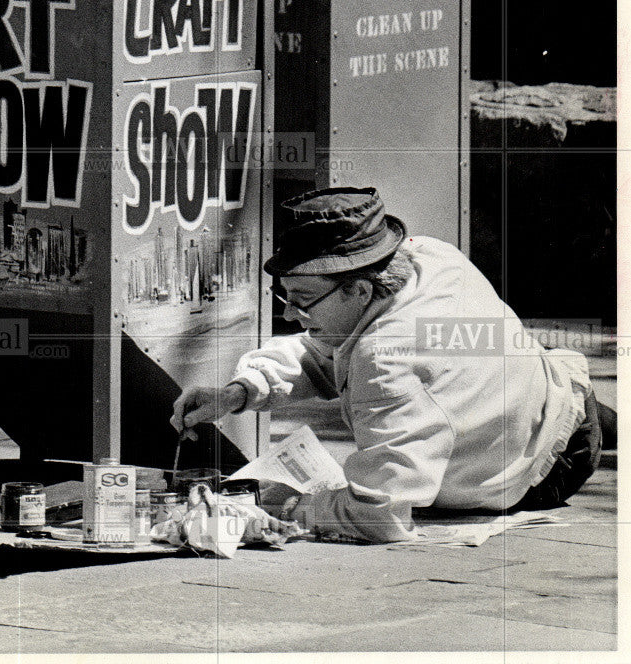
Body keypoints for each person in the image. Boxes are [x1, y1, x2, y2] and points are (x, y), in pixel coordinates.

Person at [171, 187, 613, 542]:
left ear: (360, 291)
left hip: (542, 467)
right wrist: (240, 391)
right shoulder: (427, 256)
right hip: (556, 391)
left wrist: (286, 505)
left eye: (302, 302)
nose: (289, 315)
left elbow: (380, 517)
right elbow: (329, 352)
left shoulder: (382, 362)